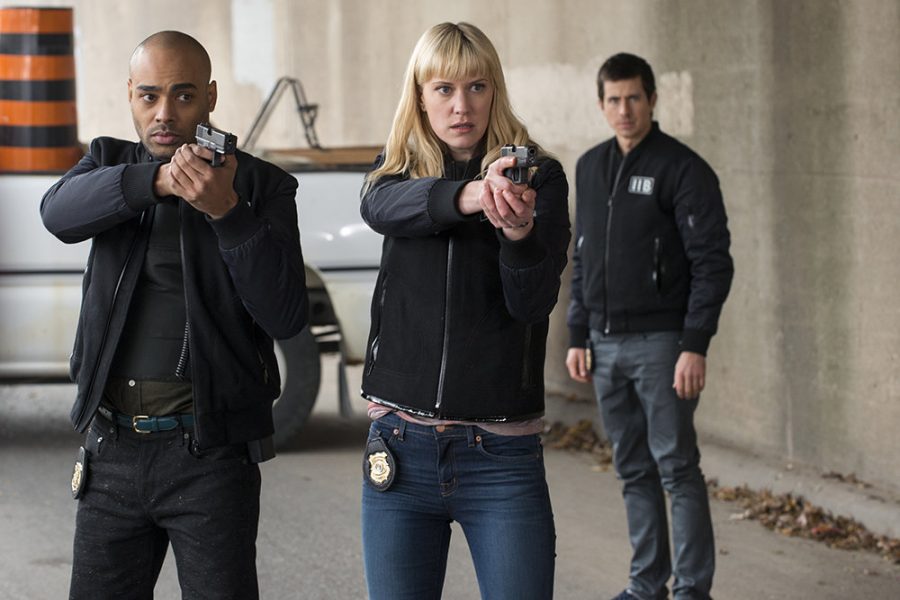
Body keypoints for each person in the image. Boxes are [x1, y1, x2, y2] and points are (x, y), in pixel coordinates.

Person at [40, 31, 308, 599]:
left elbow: (285, 314)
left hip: (209, 456)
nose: (164, 113)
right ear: (130, 95)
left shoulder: (260, 185)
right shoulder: (108, 161)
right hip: (111, 449)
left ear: (210, 97)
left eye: (183, 96)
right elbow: (58, 215)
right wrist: (158, 181)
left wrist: (228, 212)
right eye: (149, 96)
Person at [358, 22, 570, 600]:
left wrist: (518, 234)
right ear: (420, 95)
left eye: (477, 87)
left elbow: (533, 303)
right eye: (444, 88)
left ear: (495, 90)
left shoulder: (539, 176)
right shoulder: (393, 172)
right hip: (400, 447)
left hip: (500, 456)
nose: (462, 106)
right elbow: (379, 208)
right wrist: (473, 195)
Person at [566, 53, 733, 600]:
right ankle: (646, 585)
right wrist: (577, 333)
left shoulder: (683, 169)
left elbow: (712, 262)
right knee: (632, 469)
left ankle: (691, 590)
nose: (624, 110)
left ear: (653, 99)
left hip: (663, 345)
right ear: (601, 105)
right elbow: (583, 258)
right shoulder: (589, 167)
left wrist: (694, 344)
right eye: (614, 100)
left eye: (634, 98)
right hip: (604, 344)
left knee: (677, 468)